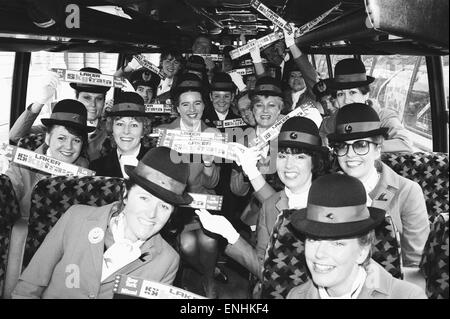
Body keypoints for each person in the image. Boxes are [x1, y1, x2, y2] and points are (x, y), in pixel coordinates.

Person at [12, 147, 192, 299]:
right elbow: (30, 284)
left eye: (164, 207)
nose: (152, 214)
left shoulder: (167, 261)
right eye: (144, 198)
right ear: (125, 195)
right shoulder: (76, 218)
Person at [196, 116, 329, 298]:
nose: (289, 165)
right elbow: (265, 269)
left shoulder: (331, 204)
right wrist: (230, 234)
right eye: (282, 156)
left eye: (300, 156)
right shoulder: (269, 205)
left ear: (314, 162)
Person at [286, 173, 427, 299]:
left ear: (363, 251)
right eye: (313, 240)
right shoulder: (295, 296)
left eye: (337, 243)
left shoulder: (408, 296)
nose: (319, 254)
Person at [327, 103, 429, 269]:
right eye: (343, 146)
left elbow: (415, 265)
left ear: (377, 150)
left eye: (361, 145)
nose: (350, 154)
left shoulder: (407, 192)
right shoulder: (328, 190)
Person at [157, 73, 221, 298]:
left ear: (204, 105)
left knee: (209, 242)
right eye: (185, 104)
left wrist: (208, 163)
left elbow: (213, 182)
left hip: (204, 202)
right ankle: (207, 272)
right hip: (176, 205)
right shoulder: (165, 133)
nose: (192, 109)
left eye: (197, 103)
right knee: (188, 247)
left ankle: (209, 280)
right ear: (177, 108)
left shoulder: (213, 134)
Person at [6, 99, 92, 218]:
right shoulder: (22, 166)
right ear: (48, 138)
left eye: (76, 140)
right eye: (61, 138)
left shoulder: (84, 168)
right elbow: (7, 192)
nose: (68, 147)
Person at [9, 67, 110, 161]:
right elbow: (16, 137)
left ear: (104, 101)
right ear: (77, 98)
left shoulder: (111, 131)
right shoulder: (57, 126)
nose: (93, 104)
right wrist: (40, 101)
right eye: (87, 98)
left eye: (99, 99)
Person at [319, 58, 413, 152]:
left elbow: (405, 143)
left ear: (366, 95)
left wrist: (364, 146)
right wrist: (324, 141)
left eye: (352, 92)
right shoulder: (335, 118)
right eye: (340, 94)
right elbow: (322, 134)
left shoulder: (383, 117)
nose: (346, 100)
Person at [89, 92, 152, 178]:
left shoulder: (158, 164)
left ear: (143, 130)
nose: (126, 131)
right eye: (120, 124)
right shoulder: (96, 167)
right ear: (112, 128)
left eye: (134, 125)